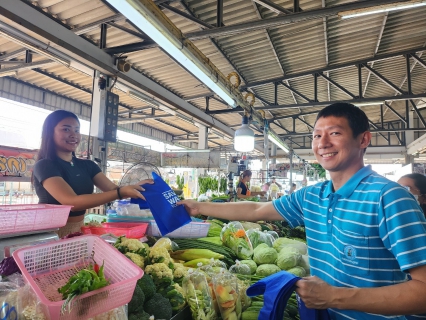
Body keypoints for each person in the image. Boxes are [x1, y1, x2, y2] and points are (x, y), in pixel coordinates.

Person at [179, 103, 426, 319]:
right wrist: (198, 206)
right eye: (317, 136)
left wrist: (335, 297)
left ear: (363, 139)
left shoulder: (390, 198)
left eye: (335, 133)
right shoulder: (312, 196)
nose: (323, 143)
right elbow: (256, 209)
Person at [32, 110, 153, 237]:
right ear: (50, 133)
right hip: (50, 233)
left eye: (77, 130)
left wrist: (137, 187)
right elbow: (72, 203)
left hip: (79, 229)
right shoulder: (45, 165)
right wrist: (119, 193)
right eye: (66, 129)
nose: (74, 135)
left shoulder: (88, 165)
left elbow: (113, 189)